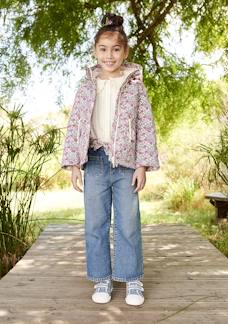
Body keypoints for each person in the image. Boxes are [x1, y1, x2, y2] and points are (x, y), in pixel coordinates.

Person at [61, 12, 160, 306]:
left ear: (125, 51)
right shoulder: (86, 85)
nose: (109, 55)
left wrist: (143, 165)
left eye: (116, 49)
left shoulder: (135, 86)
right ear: (95, 51)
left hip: (127, 164)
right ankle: (102, 277)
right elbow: (76, 124)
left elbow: (145, 126)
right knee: (96, 222)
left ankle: (132, 279)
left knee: (128, 223)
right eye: (103, 49)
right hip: (95, 161)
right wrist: (73, 164)